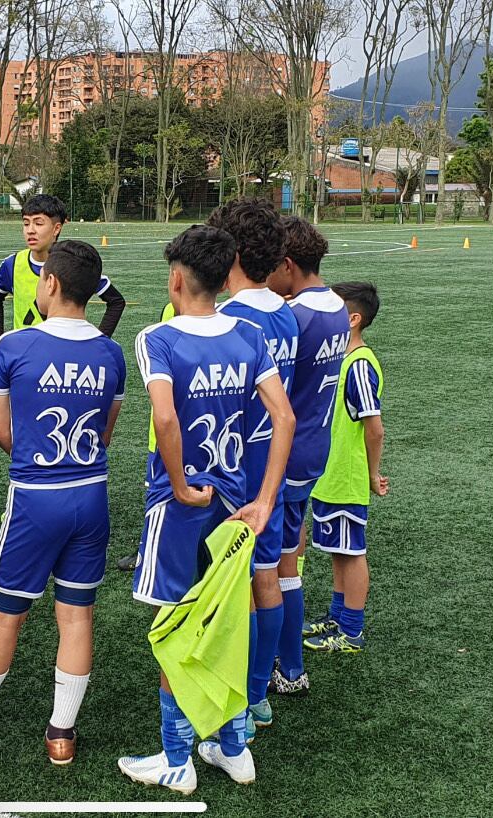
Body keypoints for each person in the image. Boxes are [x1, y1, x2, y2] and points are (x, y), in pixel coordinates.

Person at [117, 224, 294, 793]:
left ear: (176, 279)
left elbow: (166, 417)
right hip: (237, 506)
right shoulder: (248, 335)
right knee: (227, 623)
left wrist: (178, 484)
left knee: (174, 628)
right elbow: (284, 417)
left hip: (179, 508)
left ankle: (176, 758)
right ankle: (233, 747)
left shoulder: (158, 338)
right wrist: (265, 501)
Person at [0, 240, 126, 766]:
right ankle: (61, 734)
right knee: (76, 617)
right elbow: (106, 434)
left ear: (50, 282)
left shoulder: (13, 345)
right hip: (91, 495)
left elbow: (3, 433)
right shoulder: (110, 352)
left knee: (6, 614)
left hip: (34, 497)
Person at [207, 198, 299, 735]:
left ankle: (235, 698)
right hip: (273, 469)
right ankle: (258, 694)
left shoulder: (228, 321)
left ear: (233, 255)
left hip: (235, 469)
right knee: (266, 574)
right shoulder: (284, 312)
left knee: (234, 586)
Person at [266, 216, 351, 695]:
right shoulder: (336, 304)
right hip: (315, 444)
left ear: (287, 264)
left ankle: (286, 669)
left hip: (287, 451)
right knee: (288, 557)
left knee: (276, 566)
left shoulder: (296, 316)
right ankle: (289, 665)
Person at [303, 282, 387, 654]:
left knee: (351, 553)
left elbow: (374, 427)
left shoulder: (359, 365)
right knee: (339, 550)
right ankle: (337, 618)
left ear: (352, 319)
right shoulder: (340, 358)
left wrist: (371, 474)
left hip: (346, 477)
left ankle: (351, 631)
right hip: (330, 474)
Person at [0, 195, 126, 349]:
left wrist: (99, 342)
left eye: (38, 223)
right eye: (26, 223)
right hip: (24, 355)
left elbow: (116, 301)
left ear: (56, 228)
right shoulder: (12, 265)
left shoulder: (72, 262)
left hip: (63, 354)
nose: (30, 230)